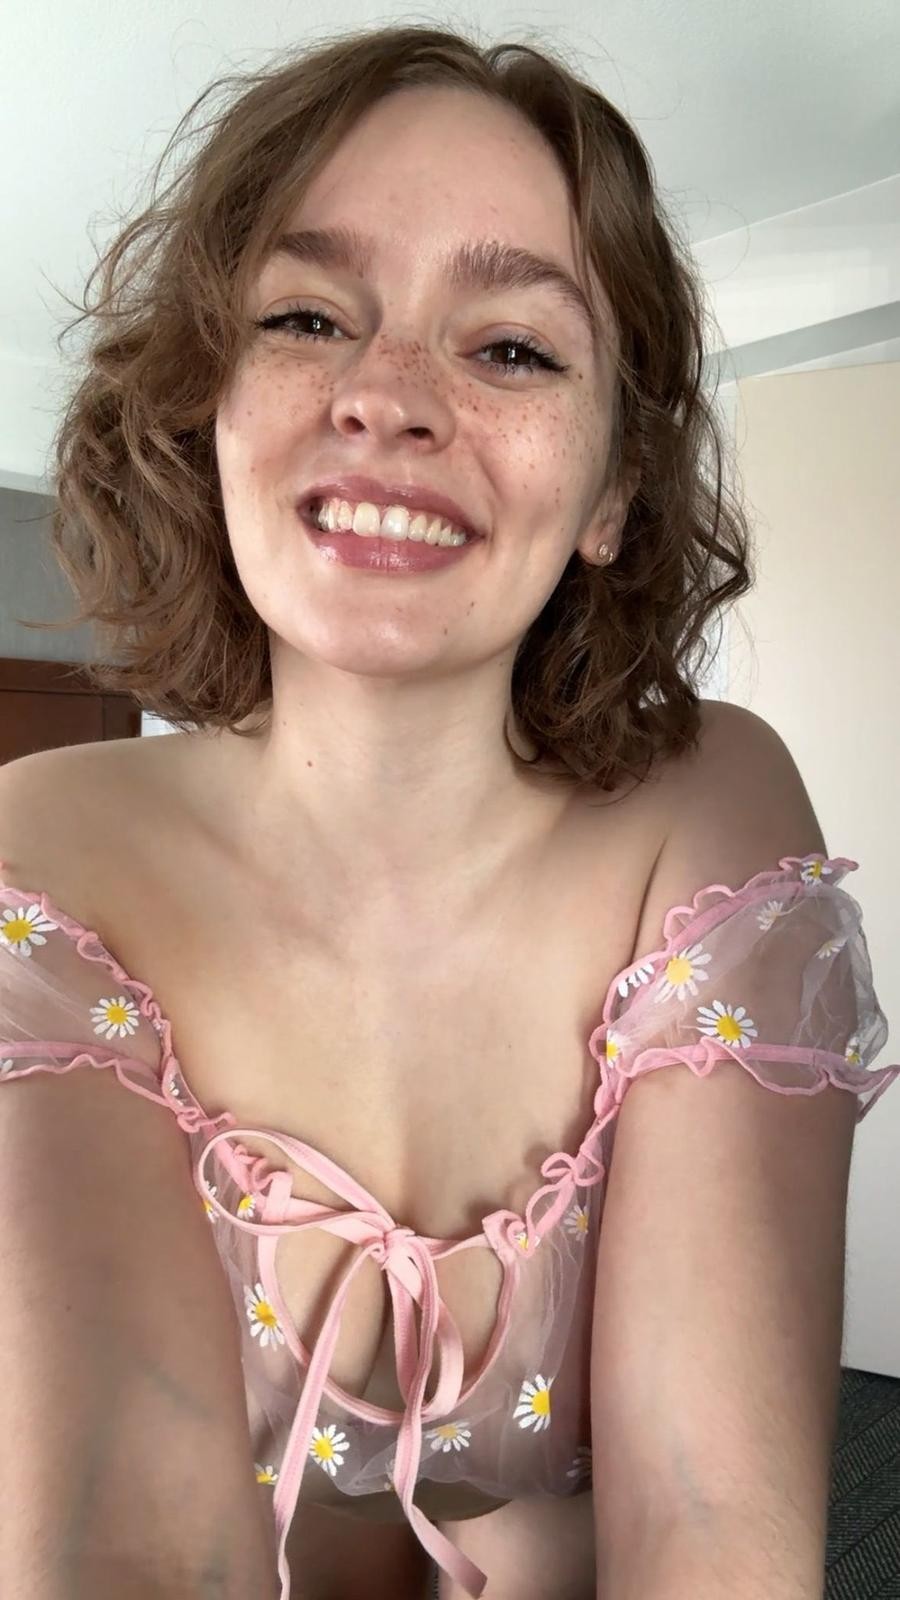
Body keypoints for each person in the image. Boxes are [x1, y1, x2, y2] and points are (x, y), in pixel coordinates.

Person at [2, 23, 897, 1600]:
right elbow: (128, 1546)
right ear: (208, 411)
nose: (387, 398)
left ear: (612, 489)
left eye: (513, 350)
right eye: (305, 317)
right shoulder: (44, 859)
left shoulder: (706, 809)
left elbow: (713, 1521)